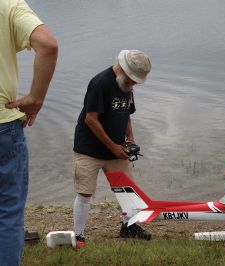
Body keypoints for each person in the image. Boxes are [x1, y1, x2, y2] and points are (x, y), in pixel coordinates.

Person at [72, 49, 152, 247]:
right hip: (88, 149)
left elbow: (126, 114)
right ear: (123, 70)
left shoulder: (126, 86)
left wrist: (130, 139)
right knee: (85, 193)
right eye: (132, 79)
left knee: (129, 191)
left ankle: (129, 227)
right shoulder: (101, 83)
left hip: (117, 148)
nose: (133, 83)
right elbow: (91, 120)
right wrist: (113, 147)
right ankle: (79, 235)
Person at [0, 0, 58, 265]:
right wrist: (36, 98)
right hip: (3, 126)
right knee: (7, 214)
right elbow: (47, 45)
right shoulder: (8, 4)